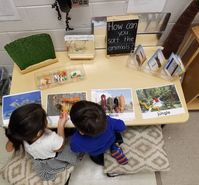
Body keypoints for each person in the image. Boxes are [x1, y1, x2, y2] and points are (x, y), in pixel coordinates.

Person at [5, 103, 79, 181]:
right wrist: (61, 125)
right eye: (45, 119)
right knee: (74, 140)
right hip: (52, 158)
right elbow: (60, 148)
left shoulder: (20, 134)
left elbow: (8, 149)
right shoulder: (51, 139)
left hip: (38, 157)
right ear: (39, 132)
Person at [69, 100, 128, 166]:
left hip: (96, 152)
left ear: (81, 131)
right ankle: (114, 148)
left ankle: (101, 161)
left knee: (96, 158)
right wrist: (109, 119)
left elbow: (74, 149)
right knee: (116, 134)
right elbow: (122, 126)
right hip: (110, 140)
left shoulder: (76, 141)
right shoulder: (109, 121)